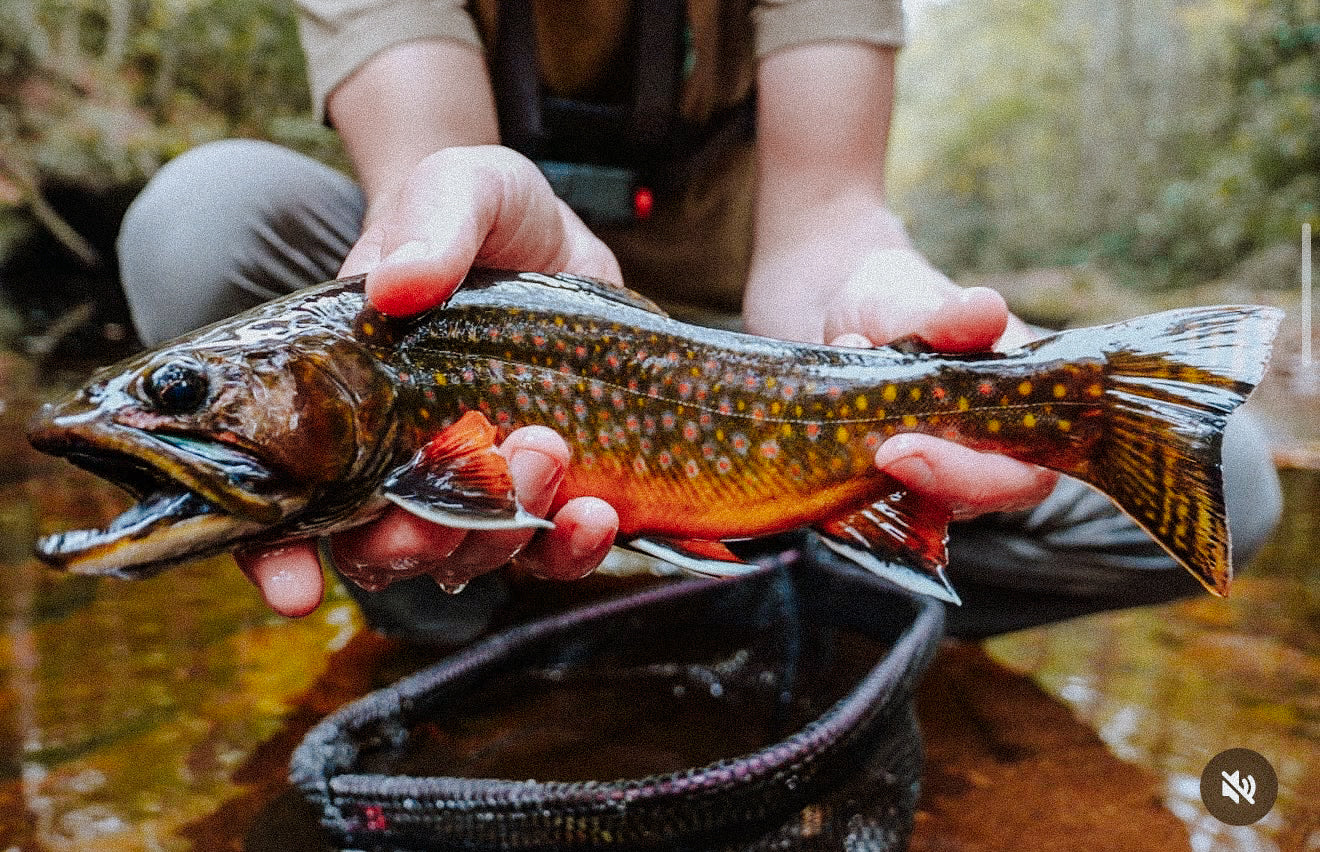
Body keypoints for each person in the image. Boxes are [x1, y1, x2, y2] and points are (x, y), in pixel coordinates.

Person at [117, 0, 1281, 639]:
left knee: (1231, 466)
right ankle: (456, 604)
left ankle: (803, 592)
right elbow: (423, 206)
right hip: (500, 337)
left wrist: (883, 315)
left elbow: (828, 218)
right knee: (206, 219)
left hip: (759, 338)